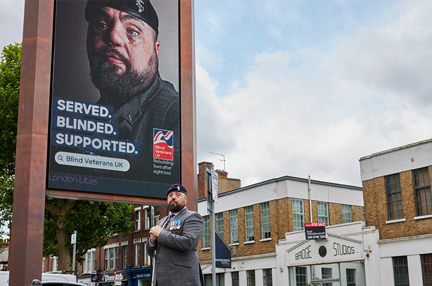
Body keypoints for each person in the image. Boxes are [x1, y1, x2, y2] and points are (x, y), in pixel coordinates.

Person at [83, 0, 180, 182]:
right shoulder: (84, 122)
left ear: (155, 49)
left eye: (132, 31)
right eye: (101, 24)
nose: (113, 37)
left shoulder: (176, 119)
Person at [147, 184, 204, 286]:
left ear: (186, 199)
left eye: (178, 195)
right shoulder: (161, 222)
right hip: (161, 279)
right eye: (170, 195)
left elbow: (188, 242)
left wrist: (160, 234)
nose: (173, 197)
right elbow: (152, 253)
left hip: (183, 279)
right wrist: (151, 241)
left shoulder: (193, 217)